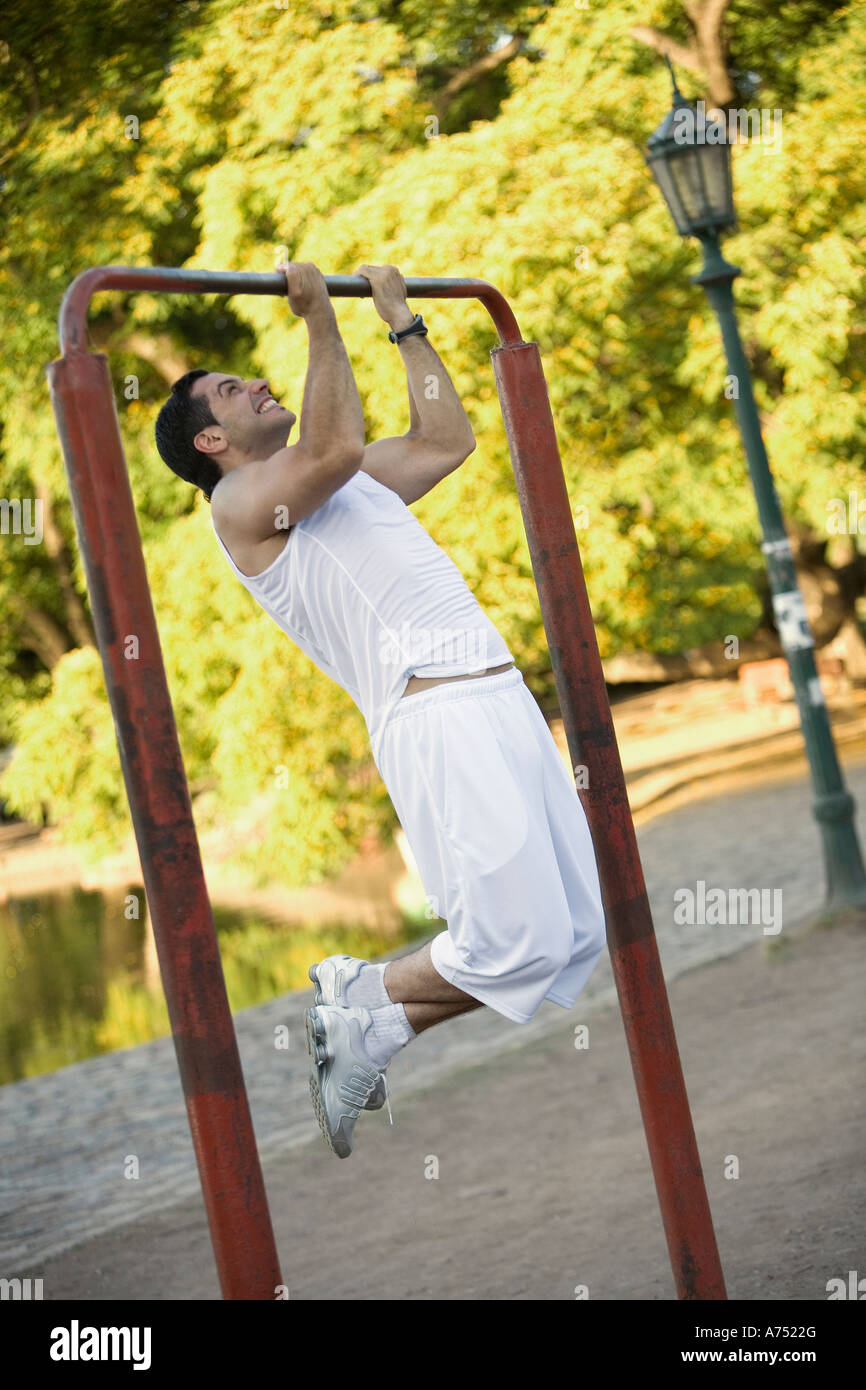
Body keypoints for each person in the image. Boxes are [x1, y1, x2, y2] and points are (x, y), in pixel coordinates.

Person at [154, 261, 607, 1159]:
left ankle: (376, 1023)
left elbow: (445, 440)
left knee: (571, 936)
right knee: (510, 941)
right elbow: (331, 449)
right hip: (435, 715)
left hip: (495, 696)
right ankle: (358, 987)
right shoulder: (243, 505)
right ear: (211, 443)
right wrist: (321, 320)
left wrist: (403, 324)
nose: (252, 383)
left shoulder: (343, 483)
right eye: (229, 392)